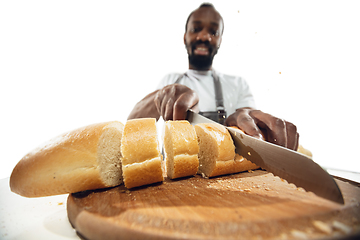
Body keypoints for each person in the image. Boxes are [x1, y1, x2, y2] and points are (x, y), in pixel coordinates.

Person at [128, 3, 299, 151]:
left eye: (213, 31)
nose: (204, 36)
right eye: (196, 29)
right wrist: (161, 96)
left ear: (220, 41)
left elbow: (252, 130)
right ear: (184, 37)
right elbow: (131, 125)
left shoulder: (237, 84)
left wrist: (248, 120)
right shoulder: (169, 80)